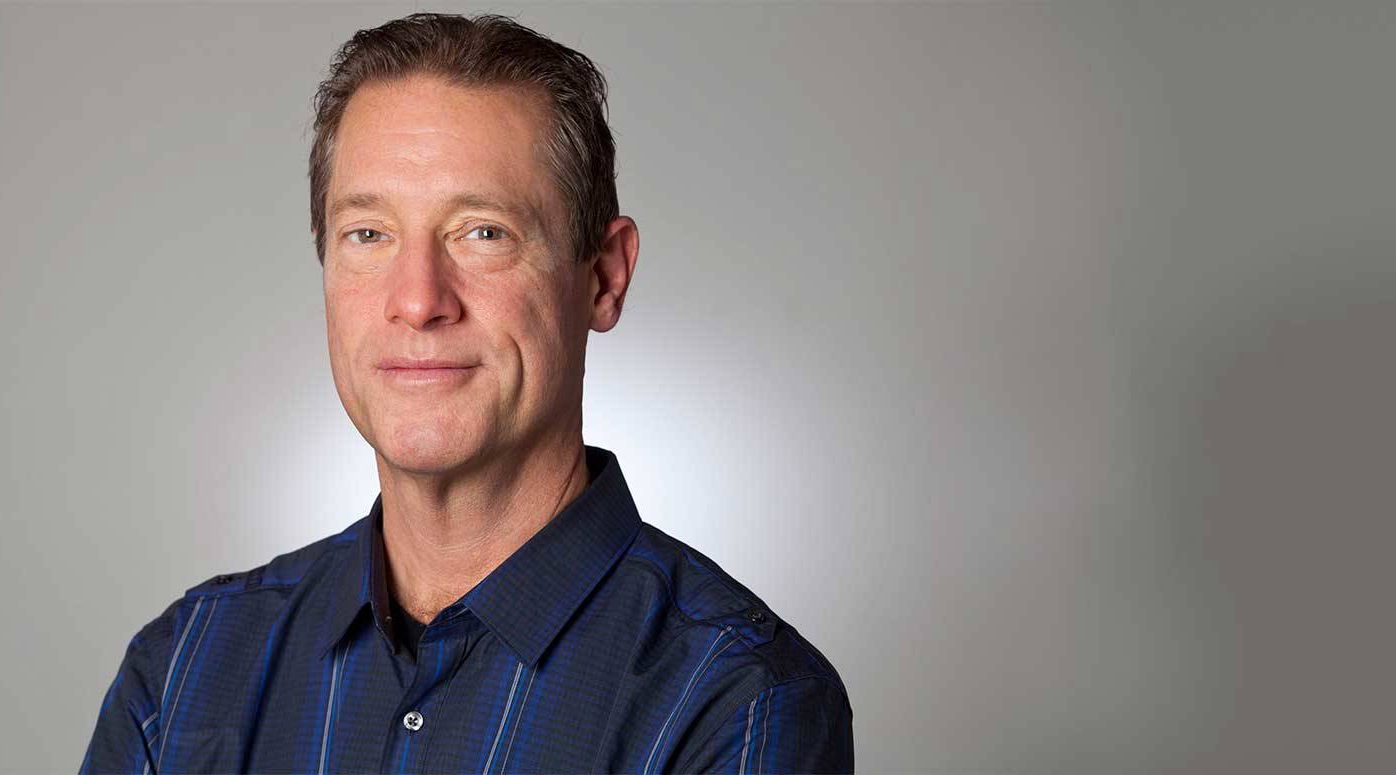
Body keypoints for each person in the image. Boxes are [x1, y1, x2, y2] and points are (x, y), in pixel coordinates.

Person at [79, 12, 851, 774]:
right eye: (369, 234)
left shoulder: (739, 698)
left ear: (604, 277)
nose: (419, 300)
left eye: (483, 232)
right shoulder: (182, 670)